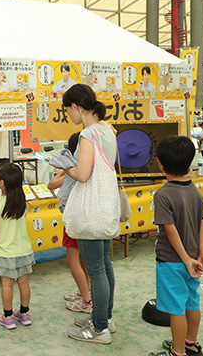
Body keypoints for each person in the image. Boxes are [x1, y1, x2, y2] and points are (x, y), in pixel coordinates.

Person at [61, 84, 118, 344]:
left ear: (75, 106)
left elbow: (82, 175)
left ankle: (99, 328)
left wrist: (65, 165)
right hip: (105, 207)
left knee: (96, 270)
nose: (68, 116)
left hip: (90, 211)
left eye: (67, 110)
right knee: (104, 266)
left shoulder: (88, 134)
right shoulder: (107, 129)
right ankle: (104, 317)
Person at [148, 136, 203, 356]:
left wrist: (185, 259)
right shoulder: (194, 189)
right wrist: (200, 253)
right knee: (192, 302)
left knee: (176, 309)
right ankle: (191, 342)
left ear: (160, 163)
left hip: (172, 261)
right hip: (192, 259)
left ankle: (178, 351)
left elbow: (170, 231)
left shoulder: (163, 194)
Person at [47, 132, 92, 314]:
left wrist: (65, 168)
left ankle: (87, 300)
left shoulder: (74, 168)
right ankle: (86, 291)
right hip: (85, 216)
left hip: (74, 217)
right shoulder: (88, 165)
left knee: (72, 259)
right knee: (84, 258)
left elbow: (51, 184)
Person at [0, 163, 34, 329]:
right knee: (23, 282)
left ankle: (8, 317)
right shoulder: (22, 202)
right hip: (24, 249)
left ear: (2, 183)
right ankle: (24, 314)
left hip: (6, 251)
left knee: (7, 285)